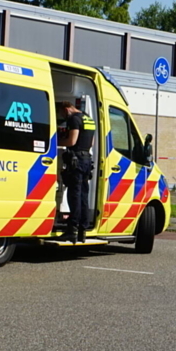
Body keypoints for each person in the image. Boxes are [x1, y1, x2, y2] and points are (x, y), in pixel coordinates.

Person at [57, 100, 96, 243]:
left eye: (62, 113)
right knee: (83, 195)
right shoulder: (88, 118)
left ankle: (71, 230)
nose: (63, 116)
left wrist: (55, 142)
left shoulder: (74, 119)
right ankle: (82, 231)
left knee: (74, 195)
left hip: (76, 161)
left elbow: (72, 141)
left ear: (66, 109)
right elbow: (91, 143)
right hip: (86, 159)